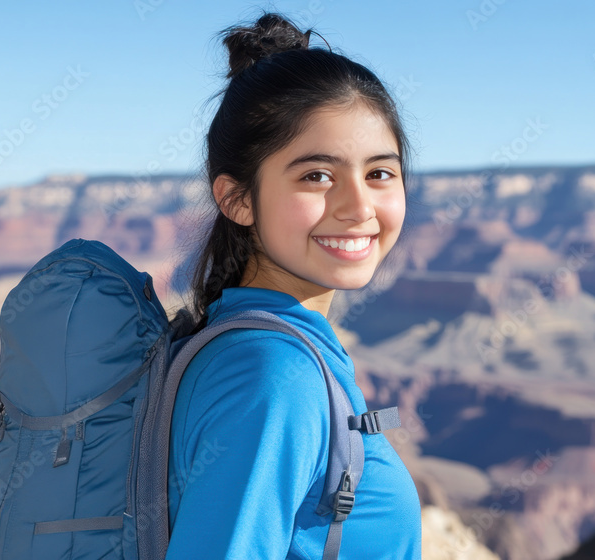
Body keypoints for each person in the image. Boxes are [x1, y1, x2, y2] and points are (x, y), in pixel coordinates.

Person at [164, 11, 421, 559]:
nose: (358, 207)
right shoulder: (275, 376)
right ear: (239, 199)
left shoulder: (258, 343)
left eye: (379, 172)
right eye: (317, 175)